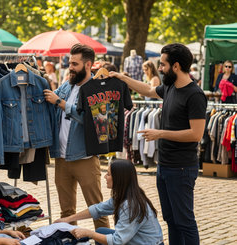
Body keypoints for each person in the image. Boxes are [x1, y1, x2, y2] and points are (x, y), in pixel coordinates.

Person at [110, 43, 206, 244]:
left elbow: (196, 134)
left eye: (163, 64)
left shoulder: (194, 94)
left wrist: (160, 133)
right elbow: (148, 89)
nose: (160, 68)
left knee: (185, 221)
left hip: (181, 168)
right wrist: (122, 78)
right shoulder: (170, 86)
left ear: (176, 66)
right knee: (171, 220)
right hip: (165, 166)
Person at [43, 43, 110, 230]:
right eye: (69, 63)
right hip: (61, 158)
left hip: (84, 158)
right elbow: (51, 99)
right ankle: (68, 241)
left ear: (88, 65)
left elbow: (98, 121)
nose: (70, 67)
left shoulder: (97, 89)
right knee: (66, 211)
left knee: (98, 210)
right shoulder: (67, 86)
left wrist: (64, 105)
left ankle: (103, 243)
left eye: (74, 64)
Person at [54, 160, 163, 245]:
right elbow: (98, 209)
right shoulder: (124, 195)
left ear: (118, 178)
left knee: (99, 234)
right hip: (136, 241)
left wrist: (89, 233)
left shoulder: (130, 205)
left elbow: (117, 241)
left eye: (108, 174)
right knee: (101, 231)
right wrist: (67, 219)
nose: (105, 177)